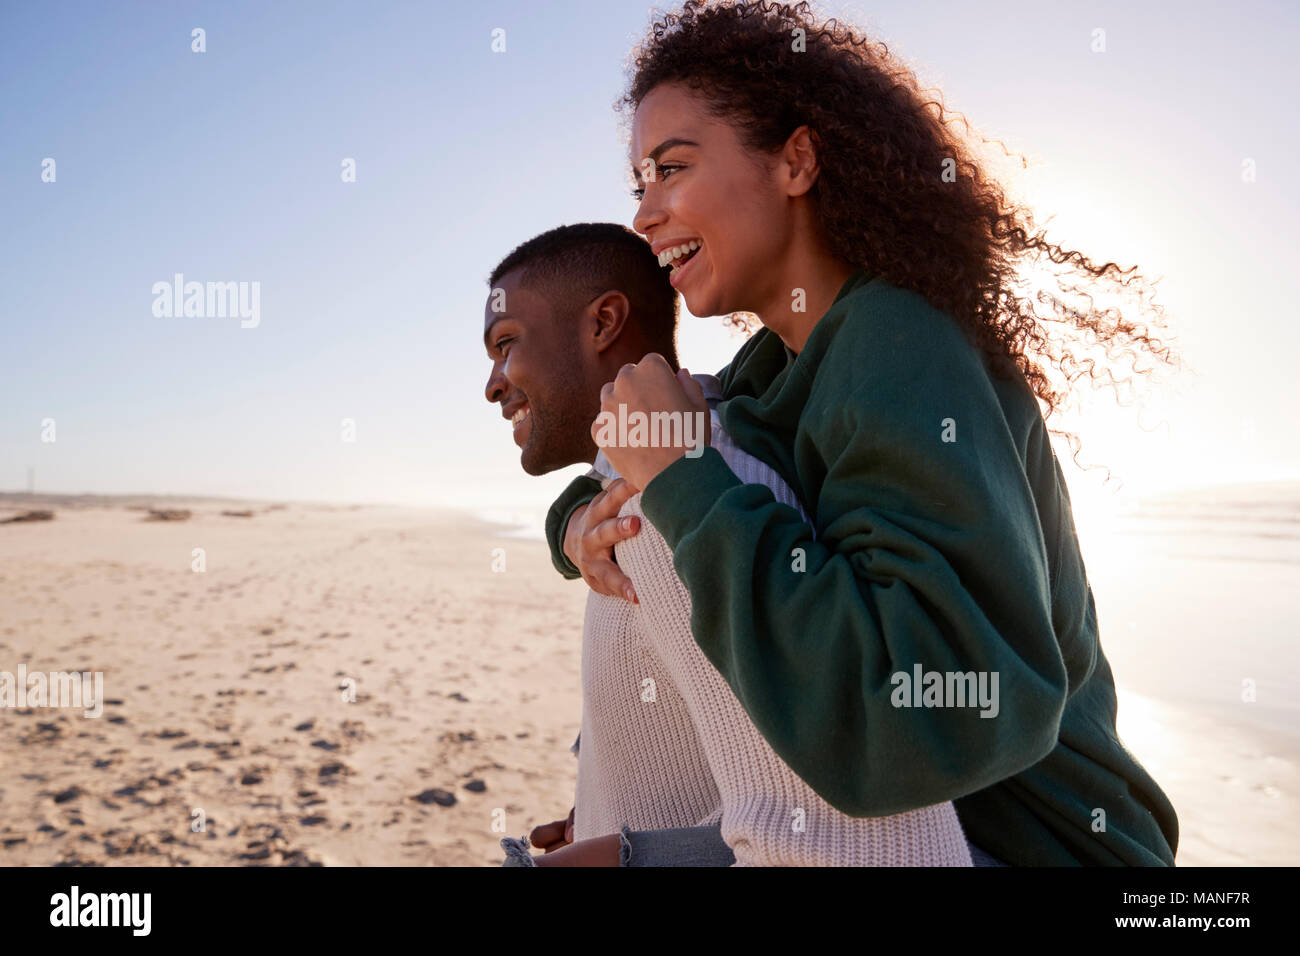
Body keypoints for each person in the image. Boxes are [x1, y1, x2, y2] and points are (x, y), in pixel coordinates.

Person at [542, 0, 1180, 866]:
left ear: (796, 161)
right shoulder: (778, 367)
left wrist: (685, 477)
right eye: (638, 184)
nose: (645, 214)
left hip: (1034, 846)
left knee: (674, 484)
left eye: (673, 168)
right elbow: (627, 476)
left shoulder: (901, 342)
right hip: (895, 818)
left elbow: (934, 712)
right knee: (654, 473)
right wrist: (578, 523)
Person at [486, 222, 973, 866]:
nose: (493, 383)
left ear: (602, 322)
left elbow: (862, 849)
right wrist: (604, 814)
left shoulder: (679, 486)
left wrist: (629, 860)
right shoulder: (633, 487)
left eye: (506, 344)